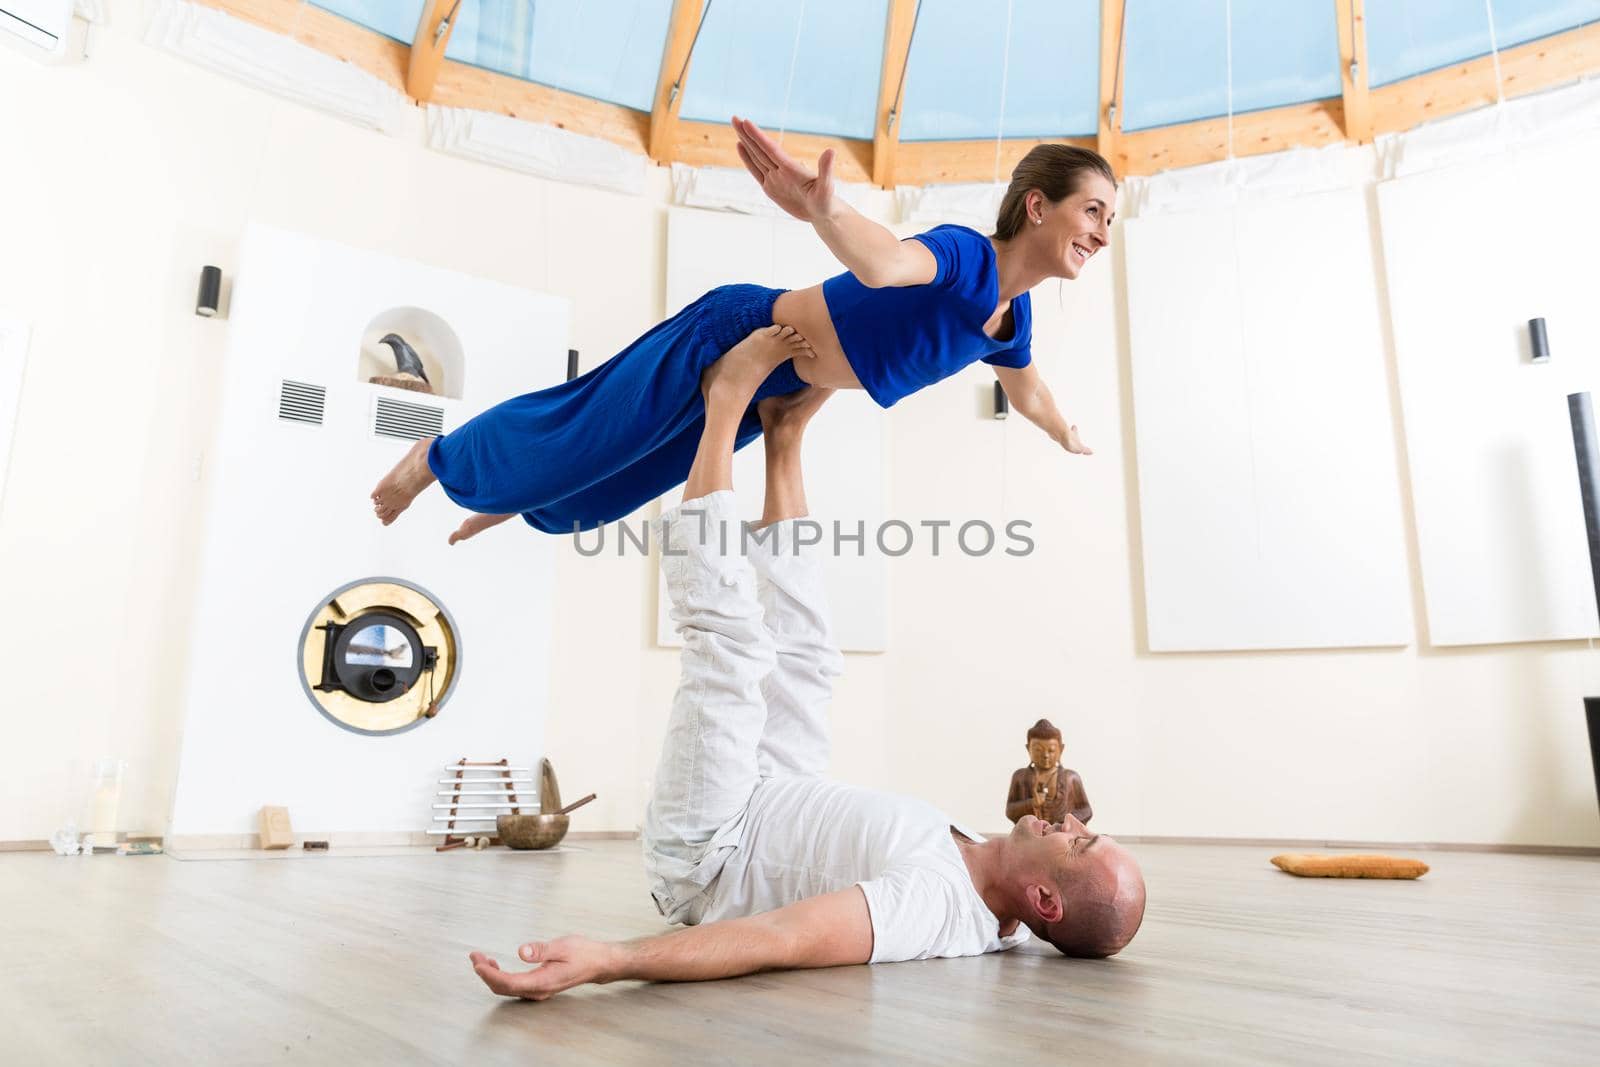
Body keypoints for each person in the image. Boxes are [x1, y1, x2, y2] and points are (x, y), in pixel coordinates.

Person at [467, 339, 1145, 1002]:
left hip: (712, 850)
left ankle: (724, 402)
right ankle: (784, 434)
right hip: (777, 790)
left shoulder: (933, 905)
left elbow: (776, 937)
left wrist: (612, 960)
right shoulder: (1002, 892)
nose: (1073, 823)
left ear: (1046, 898)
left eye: (1081, 845)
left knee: (731, 648)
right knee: (811, 654)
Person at [373, 117, 1115, 543]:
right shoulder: (964, 256)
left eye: (1111, 220)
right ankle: (437, 458)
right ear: (1039, 206)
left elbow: (1031, 391)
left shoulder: (1007, 323)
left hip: (775, 385)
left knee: (611, 492)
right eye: (1093, 211)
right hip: (730, 336)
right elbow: (886, 264)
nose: (1103, 232)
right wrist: (824, 208)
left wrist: (1064, 432)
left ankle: (512, 490)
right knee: (587, 429)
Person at [1004, 718, 1093, 825]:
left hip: (1062, 835)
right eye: (1038, 750)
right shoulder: (1020, 777)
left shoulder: (1071, 777)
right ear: (1028, 749)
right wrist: (1031, 803)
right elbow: (1009, 811)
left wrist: (1067, 820)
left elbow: (1086, 811)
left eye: (1051, 750)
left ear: (1061, 749)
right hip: (1030, 835)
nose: (1045, 755)